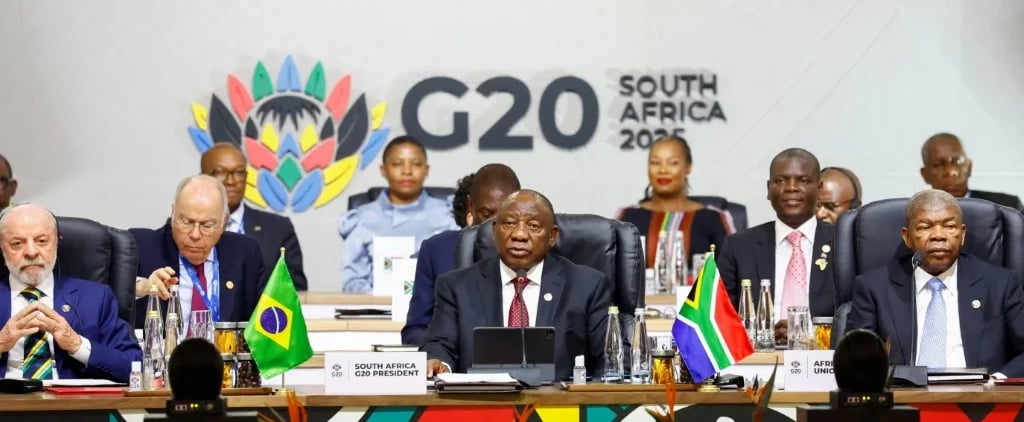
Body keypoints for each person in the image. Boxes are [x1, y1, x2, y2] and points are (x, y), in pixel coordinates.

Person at [422, 190, 611, 379]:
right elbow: (439, 344)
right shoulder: (456, 287)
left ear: (552, 236)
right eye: (510, 223)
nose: (519, 234)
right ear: (495, 231)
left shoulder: (587, 286)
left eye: (534, 226)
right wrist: (439, 363)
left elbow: (609, 360)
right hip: (480, 396)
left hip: (558, 396)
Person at [845, 189, 1024, 376]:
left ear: (962, 234)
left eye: (949, 226)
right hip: (903, 392)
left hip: (980, 392)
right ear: (907, 237)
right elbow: (855, 357)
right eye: (925, 227)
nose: (938, 235)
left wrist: (996, 382)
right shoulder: (874, 288)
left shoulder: (1000, 284)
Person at [0, 203, 141, 382]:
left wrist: (77, 344)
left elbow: (134, 366)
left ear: (57, 243)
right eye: (17, 244)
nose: (31, 252)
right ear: (2, 247)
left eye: (42, 241)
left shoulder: (96, 298)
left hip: (74, 398)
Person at [402, 164, 521, 346]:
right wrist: (440, 351)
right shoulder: (436, 250)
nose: (496, 226)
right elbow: (415, 330)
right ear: (471, 207)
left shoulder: (535, 252)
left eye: (507, 216)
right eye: (487, 214)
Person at [131, 175, 266, 329]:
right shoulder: (141, 246)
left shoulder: (246, 253)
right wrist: (142, 287)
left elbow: (268, 315)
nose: (195, 235)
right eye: (187, 222)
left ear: (223, 221)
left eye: (207, 225)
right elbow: (110, 294)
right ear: (173, 213)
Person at [718, 148, 836, 323]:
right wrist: (768, 333)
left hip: (824, 341)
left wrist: (808, 333)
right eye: (780, 181)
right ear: (768, 189)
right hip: (759, 341)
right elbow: (720, 317)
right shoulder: (738, 246)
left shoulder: (843, 243)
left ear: (819, 189)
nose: (791, 188)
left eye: (803, 180)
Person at [339, 136, 457, 293]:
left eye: (416, 164)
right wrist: (380, 300)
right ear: (383, 170)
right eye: (397, 164)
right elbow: (353, 281)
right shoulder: (362, 219)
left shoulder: (448, 216)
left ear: (426, 170)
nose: (407, 171)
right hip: (378, 306)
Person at [200, 143, 307, 290]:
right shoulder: (183, 227)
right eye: (220, 172)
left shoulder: (278, 229)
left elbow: (295, 291)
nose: (231, 181)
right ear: (203, 177)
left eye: (239, 172)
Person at [616, 136, 730, 272]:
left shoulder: (714, 218)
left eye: (673, 163)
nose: (663, 170)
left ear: (688, 167)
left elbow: (731, 272)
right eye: (655, 163)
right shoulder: (627, 217)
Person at [920, 133, 1024, 211]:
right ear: (925, 175)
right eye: (938, 164)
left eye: (958, 162)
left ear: (969, 167)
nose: (951, 171)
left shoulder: (1007, 207)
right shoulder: (914, 216)